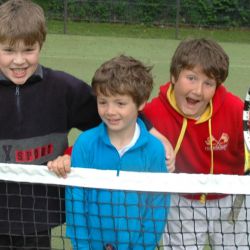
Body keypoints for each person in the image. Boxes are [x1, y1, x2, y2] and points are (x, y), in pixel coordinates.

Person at [0, 0, 174, 248]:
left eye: (28, 50)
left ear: (41, 45)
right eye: (8, 50)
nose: (19, 61)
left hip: (36, 218)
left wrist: (152, 130)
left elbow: (111, 113)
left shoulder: (62, 88)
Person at [143, 38, 246, 249]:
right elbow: (115, 131)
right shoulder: (153, 114)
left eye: (208, 83)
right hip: (181, 202)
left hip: (233, 202)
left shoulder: (235, 109)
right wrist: (70, 155)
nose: (198, 91)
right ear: (174, 76)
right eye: (191, 78)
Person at [65, 55, 170, 249]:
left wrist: (141, 246)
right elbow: (76, 201)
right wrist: (83, 246)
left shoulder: (154, 149)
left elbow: (157, 206)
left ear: (141, 103)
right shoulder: (85, 144)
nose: (110, 111)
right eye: (103, 102)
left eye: (120, 103)